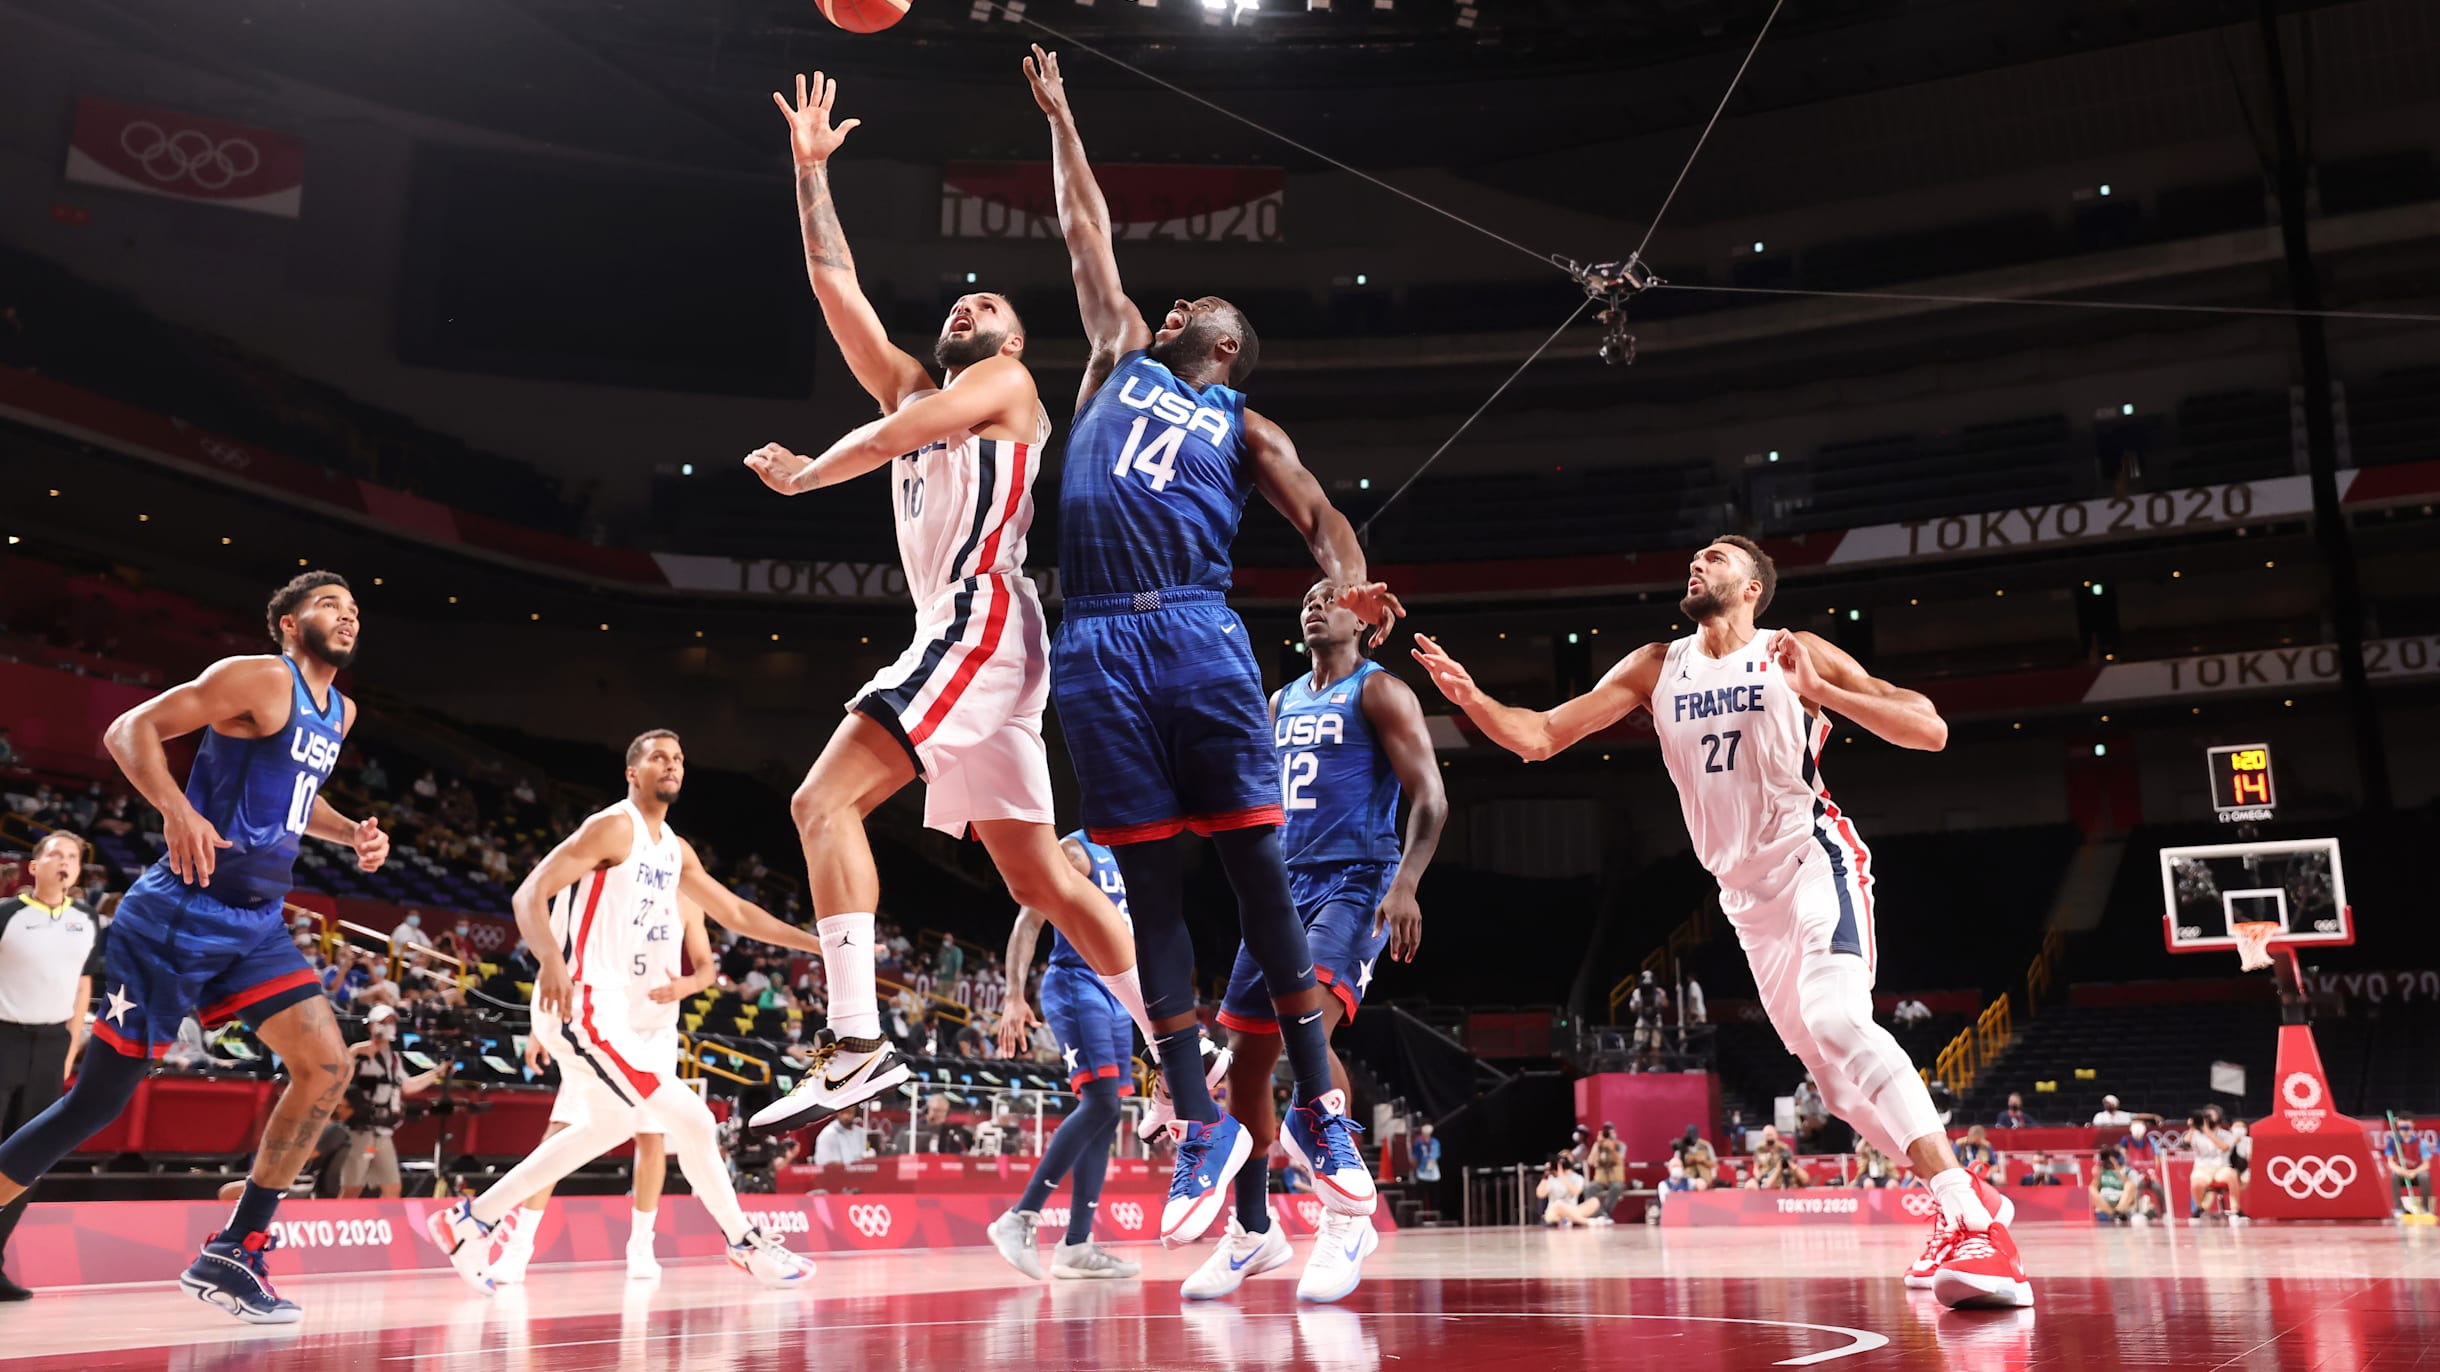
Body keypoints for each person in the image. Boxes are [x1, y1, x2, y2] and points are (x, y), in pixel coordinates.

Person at [1413, 535, 2028, 1309]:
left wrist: (1827, 693)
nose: (1698, 564)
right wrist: (1473, 701)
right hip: (1744, 902)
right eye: (1696, 557)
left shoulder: (1789, 649)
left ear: (1752, 589)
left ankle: (1971, 1222)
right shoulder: (1655, 664)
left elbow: (1928, 728)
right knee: (1836, 1090)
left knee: (1839, 1019)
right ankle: (1962, 1198)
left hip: (1814, 859)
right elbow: (1539, 737)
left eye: (1717, 558)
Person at [1021, 45, 1404, 1274]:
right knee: (1149, 890)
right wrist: (1064, 115)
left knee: (1254, 871)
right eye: (1189, 301)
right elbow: (1086, 233)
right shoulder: (1118, 353)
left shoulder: (1249, 424)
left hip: (1194, 625)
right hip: (1094, 631)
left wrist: (1350, 582)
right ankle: (1199, 1127)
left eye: (1209, 309)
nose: (1190, 307)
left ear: (1227, 345)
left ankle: (1323, 1116)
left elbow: (1323, 519)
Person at [744, 73, 1153, 1135]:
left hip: (979, 620)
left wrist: (803, 475)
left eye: (991, 307)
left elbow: (884, 442)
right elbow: (837, 291)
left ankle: (855, 1043)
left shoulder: (1007, 392)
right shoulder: (913, 388)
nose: (968, 305)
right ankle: (1177, 1044)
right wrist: (809, 174)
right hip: (976, 643)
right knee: (1046, 885)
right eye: (959, 302)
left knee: (818, 803)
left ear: (1011, 342)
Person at [0, 573, 388, 1323]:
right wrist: (175, 810)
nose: (347, 617)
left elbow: (298, 803)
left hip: (257, 922)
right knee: (98, 1105)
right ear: (285, 623)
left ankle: (234, 1250)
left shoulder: (340, 711)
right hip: (180, 912)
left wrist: (351, 834)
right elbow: (128, 730)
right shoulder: (256, 677)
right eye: (330, 606)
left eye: (355, 610)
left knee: (328, 1065)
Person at [425, 730, 820, 1294]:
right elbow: (528, 894)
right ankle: (744, 1242)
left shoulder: (674, 849)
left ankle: (471, 1221)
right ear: (632, 772)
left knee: (603, 1127)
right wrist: (551, 963)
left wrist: (819, 943)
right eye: (659, 756)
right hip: (582, 999)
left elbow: (735, 911)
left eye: (679, 758)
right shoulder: (613, 826)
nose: (672, 765)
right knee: (696, 1120)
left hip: (616, 1009)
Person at [1197, 579, 1446, 1302]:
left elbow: (1429, 793)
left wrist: (1406, 881)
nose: (1316, 603)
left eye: (1333, 596)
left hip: (1354, 883)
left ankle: (1345, 1219)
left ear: (1363, 620)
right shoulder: (1280, 702)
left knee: (1307, 1028)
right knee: (1245, 1061)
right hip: (1280, 889)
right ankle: (1253, 1230)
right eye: (1309, 596)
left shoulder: (1381, 692)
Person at [488, 892, 715, 1284]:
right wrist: (538, 1025)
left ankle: (641, 1246)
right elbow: (561, 959)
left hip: (653, 1031)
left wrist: (688, 986)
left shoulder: (688, 900)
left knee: (650, 1137)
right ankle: (518, 1247)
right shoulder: (611, 887)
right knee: (559, 1130)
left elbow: (707, 970)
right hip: (600, 1026)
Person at [987, 833, 1147, 1282]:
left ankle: (1077, 1246)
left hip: (1118, 990)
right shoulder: (1074, 852)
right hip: (1078, 983)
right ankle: (1019, 1217)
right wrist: (1014, 995)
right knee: (1100, 1102)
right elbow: (1028, 921)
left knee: (1109, 1112)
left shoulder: (1130, 856)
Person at [0, 831, 100, 1299]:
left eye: (72, 857)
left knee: (29, 1159)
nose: (64, 862)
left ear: (78, 872)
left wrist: (69, 1049)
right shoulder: (7, 915)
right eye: (54, 854)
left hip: (52, 1046)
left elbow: (84, 987)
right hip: (3, 1038)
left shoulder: (88, 921)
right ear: (34, 866)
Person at [333, 1004, 446, 1202]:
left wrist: (437, 1073)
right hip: (361, 1131)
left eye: (392, 1021)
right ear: (370, 1026)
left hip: (383, 1131)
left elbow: (407, 1086)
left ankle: (386, 1225)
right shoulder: (358, 1052)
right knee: (352, 1189)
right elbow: (337, 1078)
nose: (389, 1026)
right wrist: (353, 1053)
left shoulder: (394, 1058)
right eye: (383, 1022)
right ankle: (339, 1225)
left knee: (392, 1188)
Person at [1581, 1123, 1627, 1222]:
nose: (1610, 1135)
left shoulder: (1620, 1145)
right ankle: (1601, 1214)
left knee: (1617, 1187)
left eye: (1612, 1132)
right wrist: (1598, 1146)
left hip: (1616, 1178)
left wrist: (1612, 1148)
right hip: (1600, 1179)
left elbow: (1620, 1159)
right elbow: (1590, 1161)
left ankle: (1604, 1213)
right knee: (1589, 1188)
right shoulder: (1598, 1145)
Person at [1626, 971, 1667, 1072]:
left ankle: (1655, 1068)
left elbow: (1666, 1004)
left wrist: (1663, 996)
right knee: (1638, 1046)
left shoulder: (1658, 991)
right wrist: (1636, 1004)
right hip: (1642, 1020)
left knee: (1655, 1047)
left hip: (1656, 1019)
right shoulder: (1637, 992)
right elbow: (1632, 1008)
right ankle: (1635, 1067)